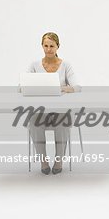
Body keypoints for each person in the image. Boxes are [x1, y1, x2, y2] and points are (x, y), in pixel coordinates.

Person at [27, 32, 81, 175]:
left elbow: (77, 87)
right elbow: (22, 86)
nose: (49, 49)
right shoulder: (34, 65)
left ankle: (59, 161)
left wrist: (61, 88)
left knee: (62, 122)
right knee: (33, 122)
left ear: (58, 46)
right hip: (40, 112)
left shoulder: (66, 65)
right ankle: (43, 161)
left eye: (52, 46)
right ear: (42, 46)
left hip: (60, 111)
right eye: (46, 45)